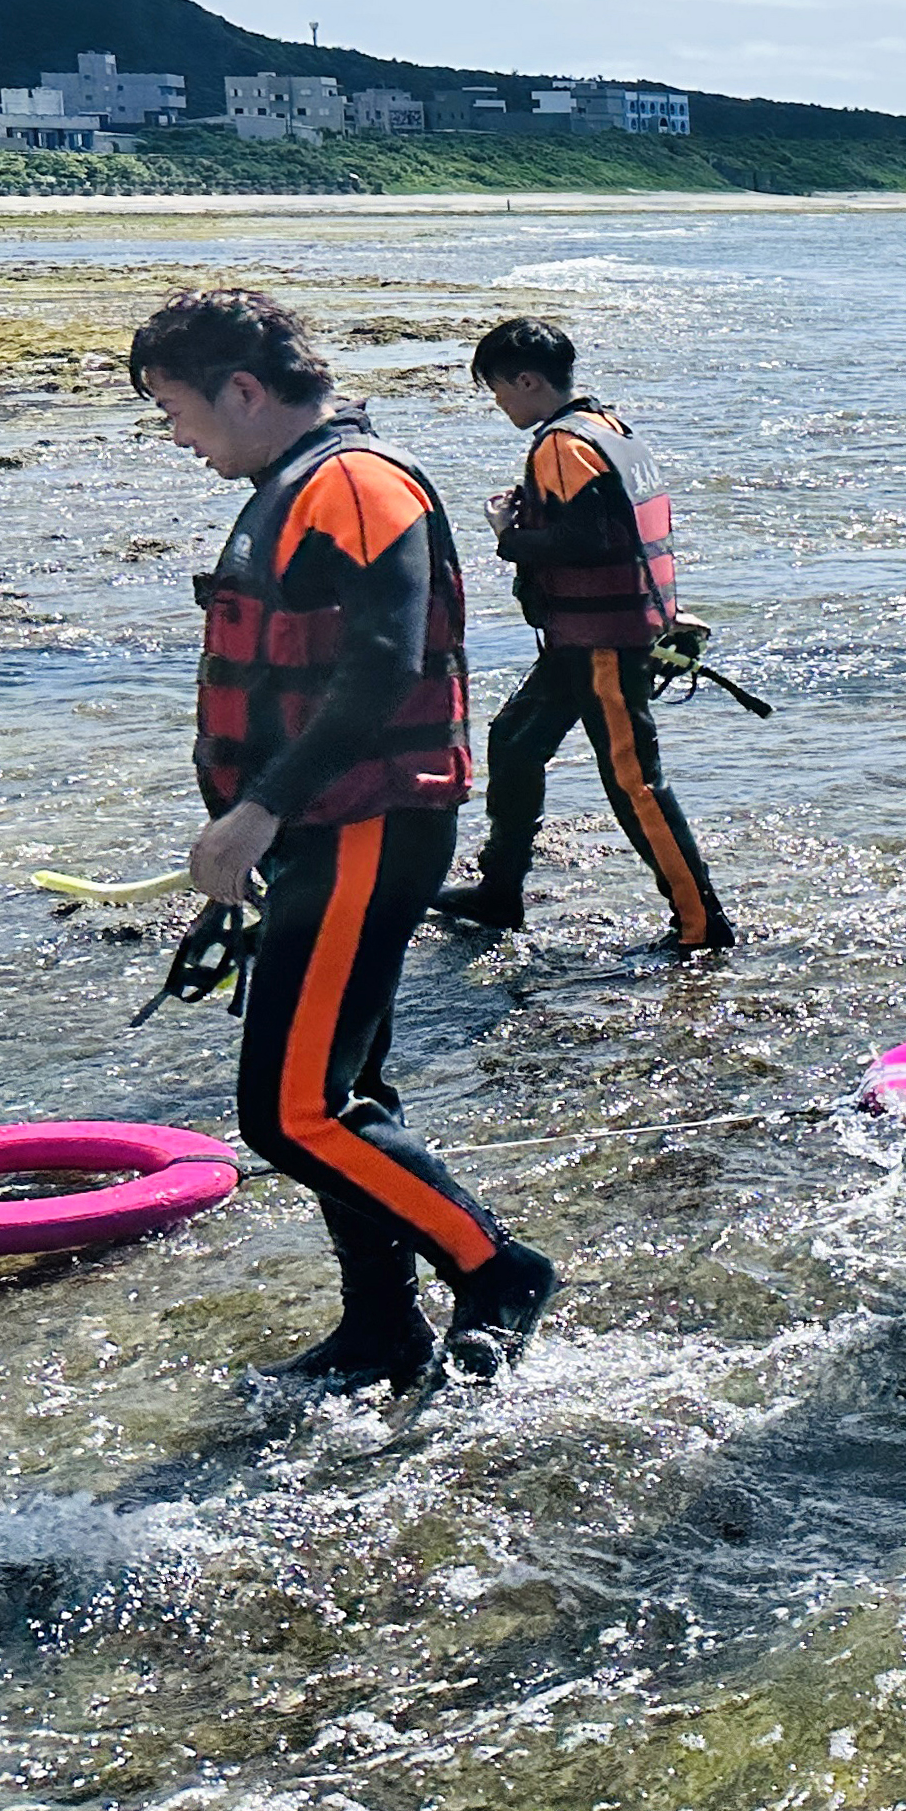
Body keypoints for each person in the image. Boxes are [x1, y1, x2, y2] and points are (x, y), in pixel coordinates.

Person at [129, 288, 555, 1392]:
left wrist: (259, 804)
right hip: (318, 828)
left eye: (176, 409)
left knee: (288, 1109)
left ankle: (497, 1268)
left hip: (364, 825)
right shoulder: (286, 486)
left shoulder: (354, 482)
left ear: (244, 389)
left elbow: (384, 663)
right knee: (346, 1091)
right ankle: (382, 1324)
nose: (177, 436)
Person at [430, 317, 733, 950]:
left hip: (602, 645)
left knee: (633, 781)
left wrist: (505, 533)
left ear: (527, 380)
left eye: (497, 389)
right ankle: (499, 893)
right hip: (584, 639)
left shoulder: (562, 445)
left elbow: (586, 541)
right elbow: (608, 527)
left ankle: (701, 925)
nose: (498, 403)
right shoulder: (608, 428)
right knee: (513, 743)